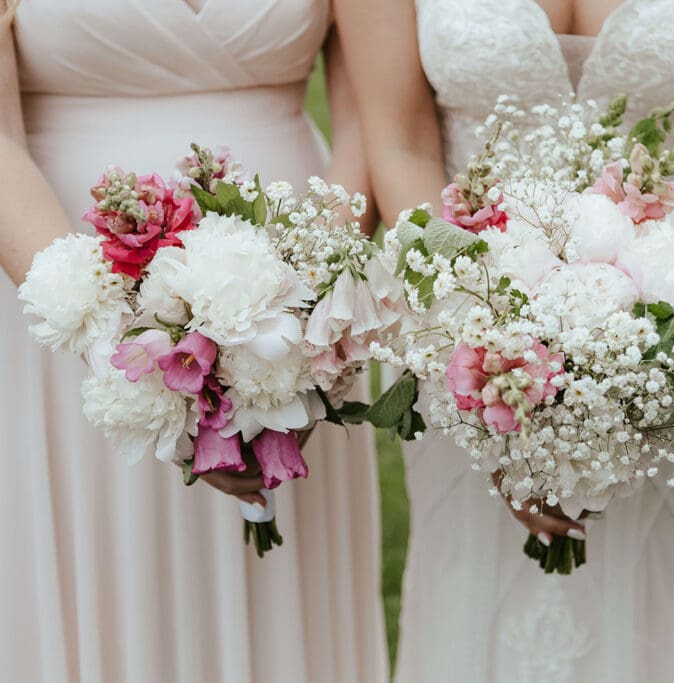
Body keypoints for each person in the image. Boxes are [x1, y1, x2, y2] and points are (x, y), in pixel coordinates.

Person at [338, 0, 674, 679]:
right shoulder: (470, 342)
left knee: (635, 608)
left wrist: (666, 340)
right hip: (467, 340)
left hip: (662, 353)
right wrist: (480, 349)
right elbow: (401, 138)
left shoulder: (664, 347)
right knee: (465, 596)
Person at [0, 1, 387, 680]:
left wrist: (320, 310)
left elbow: (370, 117)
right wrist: (123, 354)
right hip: (66, 318)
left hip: (288, 313)